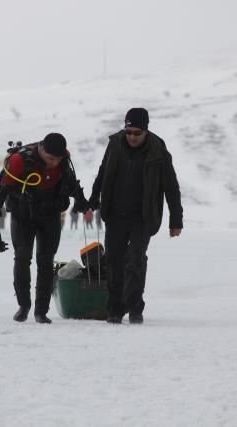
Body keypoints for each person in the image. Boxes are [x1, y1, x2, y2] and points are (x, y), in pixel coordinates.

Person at [87, 108, 183, 324]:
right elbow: (103, 172)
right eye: (128, 131)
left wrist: (176, 220)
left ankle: (135, 308)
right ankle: (115, 309)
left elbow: (171, 187)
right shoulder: (115, 144)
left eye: (137, 133)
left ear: (146, 131)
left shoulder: (158, 151)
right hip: (115, 214)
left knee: (135, 259)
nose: (131, 137)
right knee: (114, 260)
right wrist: (93, 199)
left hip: (143, 216)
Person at [0, 133, 88, 324]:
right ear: (42, 149)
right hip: (22, 215)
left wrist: (83, 204)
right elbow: (0, 194)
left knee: (46, 262)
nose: (53, 163)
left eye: (58, 159)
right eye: (50, 158)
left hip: (49, 215)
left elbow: (72, 185)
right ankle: (24, 306)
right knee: (22, 257)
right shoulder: (19, 161)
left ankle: (41, 311)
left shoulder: (63, 161)